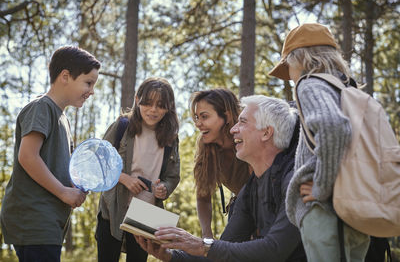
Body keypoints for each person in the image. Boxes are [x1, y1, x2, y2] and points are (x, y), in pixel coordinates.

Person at [136, 95, 307, 262]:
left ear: (266, 133)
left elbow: (275, 249)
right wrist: (171, 255)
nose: (233, 129)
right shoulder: (250, 190)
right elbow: (223, 252)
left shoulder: (296, 181)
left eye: (243, 122)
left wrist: (203, 246)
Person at [268, 23, 370, 262]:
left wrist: (322, 187)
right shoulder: (347, 87)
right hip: (356, 202)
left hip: (326, 209)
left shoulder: (310, 83)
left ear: (299, 58)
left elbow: (333, 127)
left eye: (288, 67)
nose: (291, 78)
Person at [0, 46, 100, 262]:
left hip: (50, 219)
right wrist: (64, 193)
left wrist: (75, 186)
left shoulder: (62, 119)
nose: (91, 91)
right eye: (88, 82)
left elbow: (59, 165)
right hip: (33, 217)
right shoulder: (41, 107)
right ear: (65, 76)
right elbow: (27, 157)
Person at [96, 77, 180, 262]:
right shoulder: (122, 127)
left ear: (169, 106)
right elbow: (99, 160)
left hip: (146, 213)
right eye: (148, 103)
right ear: (137, 100)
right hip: (113, 208)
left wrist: (164, 188)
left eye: (160, 105)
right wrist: (124, 178)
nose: (153, 110)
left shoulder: (170, 138)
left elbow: (172, 176)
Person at [190, 89, 251, 238]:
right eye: (197, 117)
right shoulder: (206, 148)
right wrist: (207, 234)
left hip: (265, 206)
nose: (198, 123)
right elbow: (203, 196)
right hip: (239, 209)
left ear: (227, 116)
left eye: (204, 117)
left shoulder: (250, 136)